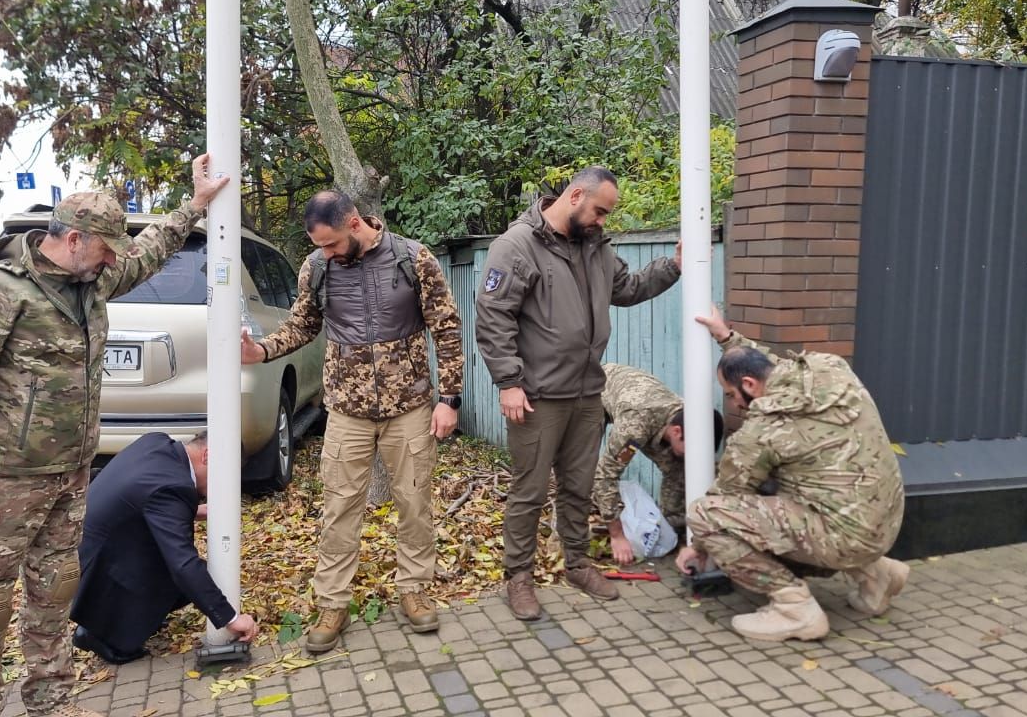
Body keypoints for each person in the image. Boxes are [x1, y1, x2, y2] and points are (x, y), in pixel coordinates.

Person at [0, 155, 229, 717]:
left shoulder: (91, 279)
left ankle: (51, 703)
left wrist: (196, 202)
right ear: (71, 239)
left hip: (69, 475)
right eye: (105, 248)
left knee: (54, 594)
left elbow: (147, 254)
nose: (114, 259)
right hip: (4, 483)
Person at [240, 190, 463, 653]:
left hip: (410, 407)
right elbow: (303, 324)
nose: (327, 253)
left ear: (357, 224)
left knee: (415, 503)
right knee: (339, 509)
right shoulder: (317, 268)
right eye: (320, 246)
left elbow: (446, 327)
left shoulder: (412, 258)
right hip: (346, 411)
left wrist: (451, 398)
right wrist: (260, 351)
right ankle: (332, 603)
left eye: (334, 243)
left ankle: (414, 588)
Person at [474, 166, 682, 620]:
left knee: (578, 485)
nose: (602, 221)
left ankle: (578, 564)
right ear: (573, 196)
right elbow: (493, 318)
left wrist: (674, 267)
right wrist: (508, 382)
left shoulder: (597, 249)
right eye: (600, 211)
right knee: (529, 490)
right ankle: (519, 577)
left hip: (587, 393)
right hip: (536, 395)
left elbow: (627, 289)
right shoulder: (517, 247)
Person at [676, 306, 909, 642]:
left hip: (847, 536)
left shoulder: (763, 429)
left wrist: (697, 546)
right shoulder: (829, 368)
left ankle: (794, 609)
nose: (734, 404)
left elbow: (727, 495)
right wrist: (727, 338)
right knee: (801, 494)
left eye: (731, 395)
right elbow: (772, 366)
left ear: (749, 385)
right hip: (886, 521)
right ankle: (877, 575)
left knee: (704, 515)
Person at [70, 431, 258, 664]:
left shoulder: (157, 443)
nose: (222, 487)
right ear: (209, 456)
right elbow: (183, 564)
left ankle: (127, 617)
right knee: (188, 575)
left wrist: (193, 510)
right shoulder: (172, 487)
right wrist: (230, 618)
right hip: (97, 570)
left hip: (92, 545)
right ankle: (100, 634)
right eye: (225, 477)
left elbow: (141, 497)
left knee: (186, 575)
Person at [593, 363, 724, 564]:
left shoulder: (688, 418)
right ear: (677, 432)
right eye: (695, 450)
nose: (695, 457)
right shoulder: (634, 430)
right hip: (596, 390)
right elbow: (606, 476)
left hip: (646, 407)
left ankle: (674, 530)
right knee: (584, 463)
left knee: (678, 467)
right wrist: (617, 535)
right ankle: (572, 533)